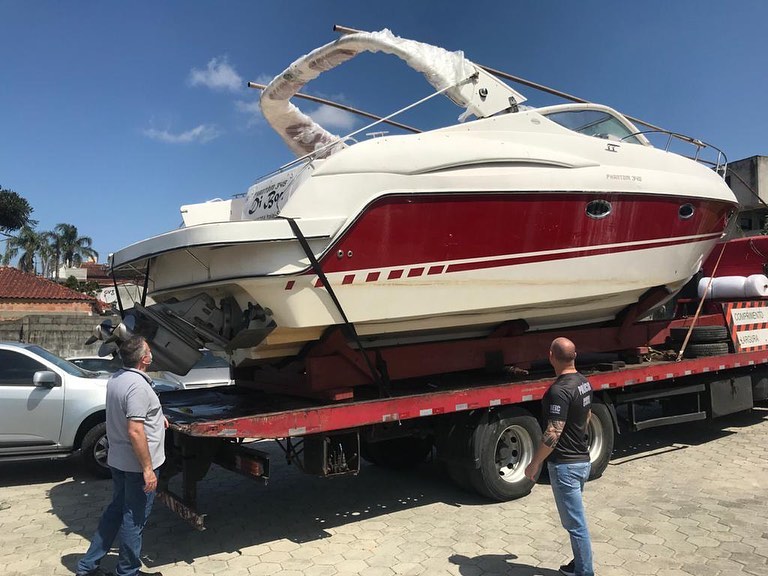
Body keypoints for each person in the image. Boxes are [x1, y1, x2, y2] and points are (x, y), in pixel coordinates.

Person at [76, 335, 166, 576]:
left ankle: (87, 566)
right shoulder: (138, 386)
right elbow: (135, 430)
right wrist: (148, 469)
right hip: (136, 467)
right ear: (144, 358)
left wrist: (158, 418)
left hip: (119, 461)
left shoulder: (118, 379)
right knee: (134, 520)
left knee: (116, 510)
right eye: (149, 349)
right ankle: (127, 571)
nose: (152, 353)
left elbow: (133, 413)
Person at [524, 337, 594, 576]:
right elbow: (587, 415)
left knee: (575, 524)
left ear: (551, 356)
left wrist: (535, 462)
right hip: (582, 460)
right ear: (574, 356)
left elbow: (554, 432)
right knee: (575, 519)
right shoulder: (583, 383)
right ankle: (578, 564)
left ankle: (585, 572)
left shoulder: (559, 390)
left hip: (565, 465)